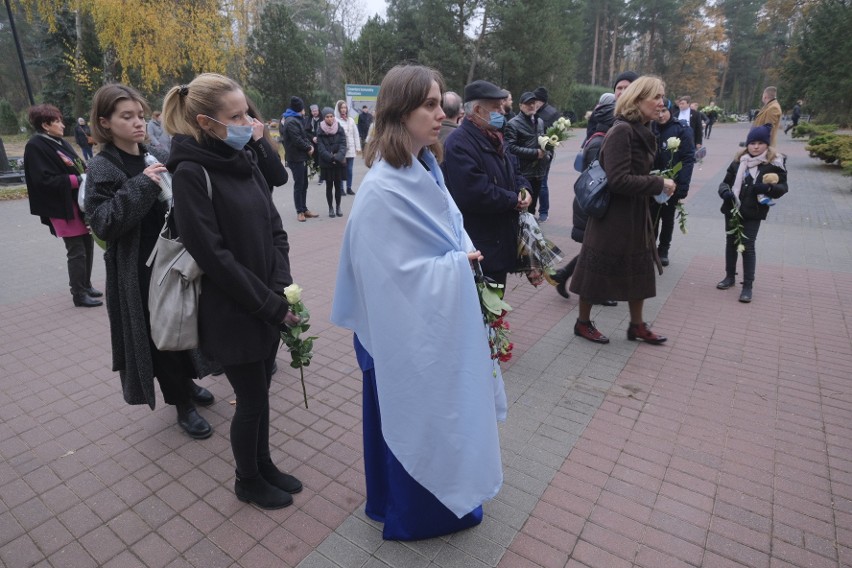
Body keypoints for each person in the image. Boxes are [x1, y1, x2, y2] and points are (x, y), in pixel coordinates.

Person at [331, 64, 506, 541]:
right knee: (414, 416)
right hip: (401, 336)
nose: (440, 113)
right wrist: (456, 267)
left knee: (444, 413)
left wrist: (460, 255)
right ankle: (416, 512)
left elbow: (448, 227)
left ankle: (449, 490)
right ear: (398, 111)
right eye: (429, 104)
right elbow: (388, 275)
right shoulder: (382, 189)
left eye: (440, 101)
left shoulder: (424, 166)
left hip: (431, 325)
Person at [160, 73, 302, 509]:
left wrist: (281, 288)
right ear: (207, 122)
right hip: (232, 308)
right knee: (253, 399)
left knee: (260, 390)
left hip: (266, 301)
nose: (249, 123)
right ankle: (247, 480)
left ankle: (264, 464)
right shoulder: (190, 172)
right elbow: (213, 256)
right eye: (236, 116)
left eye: (248, 112)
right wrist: (267, 304)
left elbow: (275, 228)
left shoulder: (247, 160)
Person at [84, 84, 214, 441]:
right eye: (127, 117)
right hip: (137, 269)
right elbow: (103, 223)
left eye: (140, 115)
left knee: (182, 320)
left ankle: (187, 384)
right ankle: (182, 403)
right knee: (158, 335)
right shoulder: (102, 166)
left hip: (172, 257)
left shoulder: (153, 152)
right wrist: (141, 185)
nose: (138, 123)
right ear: (104, 122)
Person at [569, 76, 676, 345]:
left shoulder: (642, 129)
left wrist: (656, 183)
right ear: (638, 100)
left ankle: (637, 326)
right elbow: (617, 180)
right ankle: (582, 323)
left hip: (635, 213)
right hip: (613, 218)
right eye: (656, 97)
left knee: (638, 269)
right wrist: (657, 183)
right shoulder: (622, 131)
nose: (661, 103)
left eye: (662, 96)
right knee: (596, 270)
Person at [554, 72, 638, 302]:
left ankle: (566, 277)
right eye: (618, 88)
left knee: (596, 250)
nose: (622, 92)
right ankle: (591, 291)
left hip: (600, 200)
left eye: (626, 88)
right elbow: (601, 173)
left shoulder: (615, 127)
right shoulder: (607, 132)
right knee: (598, 250)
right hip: (597, 201)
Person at [442, 79, 531, 286]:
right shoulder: (458, 143)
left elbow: (515, 171)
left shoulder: (495, 137)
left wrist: (524, 189)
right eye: (496, 107)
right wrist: (513, 200)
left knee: (497, 307)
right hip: (481, 246)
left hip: (500, 240)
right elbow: (474, 193)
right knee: (485, 309)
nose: (503, 111)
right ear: (477, 110)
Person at [24, 104, 102, 308]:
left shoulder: (60, 142)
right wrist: (78, 179)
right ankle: (78, 294)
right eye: (57, 121)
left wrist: (88, 171)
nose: (62, 124)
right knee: (76, 250)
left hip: (78, 204)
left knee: (87, 245)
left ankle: (86, 285)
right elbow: (43, 180)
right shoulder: (36, 146)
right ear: (45, 124)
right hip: (61, 208)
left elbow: (79, 164)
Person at [716, 124, 788, 303]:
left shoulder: (774, 163)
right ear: (747, 144)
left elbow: (783, 188)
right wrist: (725, 192)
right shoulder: (739, 161)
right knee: (731, 243)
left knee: (748, 246)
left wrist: (767, 188)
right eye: (752, 143)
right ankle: (729, 276)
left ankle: (747, 285)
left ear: (767, 145)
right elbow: (725, 183)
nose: (756, 146)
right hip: (732, 208)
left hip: (753, 212)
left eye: (760, 143)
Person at [650, 99, 696, 267]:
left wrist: (682, 186)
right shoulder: (650, 127)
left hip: (672, 184)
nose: (660, 115)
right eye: (657, 112)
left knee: (667, 219)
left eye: (664, 111)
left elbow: (687, 159)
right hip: (652, 181)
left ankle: (663, 250)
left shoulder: (681, 130)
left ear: (670, 111)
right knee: (651, 216)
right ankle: (650, 248)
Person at [505, 91, 549, 219]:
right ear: (520, 106)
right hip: (523, 174)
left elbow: (544, 140)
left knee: (532, 208)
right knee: (522, 209)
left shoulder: (539, 121)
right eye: (528, 103)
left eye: (533, 103)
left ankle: (531, 234)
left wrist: (548, 153)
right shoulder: (513, 124)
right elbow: (511, 148)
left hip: (538, 172)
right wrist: (535, 154)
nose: (531, 106)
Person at [281, 96, 318, 222]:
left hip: (301, 157)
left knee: (304, 184)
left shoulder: (297, 119)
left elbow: (304, 135)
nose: (304, 111)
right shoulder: (291, 121)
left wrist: (309, 145)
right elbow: (297, 139)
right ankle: (300, 212)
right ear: (299, 109)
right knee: (299, 185)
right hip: (295, 158)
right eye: (302, 108)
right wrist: (308, 147)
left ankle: (304, 208)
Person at [533, 86, 560, 222]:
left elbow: (555, 135)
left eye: (536, 100)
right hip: (531, 152)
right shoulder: (533, 111)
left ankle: (544, 212)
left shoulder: (552, 114)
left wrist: (546, 146)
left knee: (542, 182)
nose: (533, 103)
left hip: (545, 153)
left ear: (541, 101)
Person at [317, 106, 346, 218]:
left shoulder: (340, 128)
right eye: (327, 117)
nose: (330, 119)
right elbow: (321, 148)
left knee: (338, 186)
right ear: (324, 118)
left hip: (338, 162)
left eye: (332, 116)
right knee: (329, 186)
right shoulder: (320, 130)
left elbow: (343, 144)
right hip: (327, 163)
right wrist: (331, 158)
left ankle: (338, 206)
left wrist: (337, 157)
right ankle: (330, 208)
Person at [335, 100, 361, 194]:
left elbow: (355, 134)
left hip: (351, 149)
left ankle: (349, 187)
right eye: (341, 108)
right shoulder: (336, 120)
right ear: (338, 109)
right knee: (342, 169)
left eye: (345, 107)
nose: (343, 110)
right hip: (341, 149)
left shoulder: (351, 120)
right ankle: (341, 188)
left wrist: (358, 147)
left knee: (349, 170)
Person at [305, 104, 323, 184]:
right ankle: (313, 172)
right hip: (312, 143)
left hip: (321, 143)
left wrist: (318, 138)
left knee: (320, 160)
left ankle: (321, 177)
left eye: (316, 111)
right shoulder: (309, 119)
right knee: (312, 159)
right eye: (313, 111)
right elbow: (306, 132)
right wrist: (312, 138)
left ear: (318, 111)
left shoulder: (322, 119)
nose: (315, 112)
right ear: (311, 112)